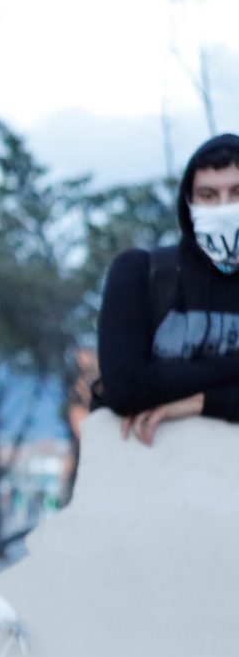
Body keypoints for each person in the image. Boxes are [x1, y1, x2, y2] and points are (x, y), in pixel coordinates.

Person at [93, 133, 239, 447]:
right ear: (189, 202)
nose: (225, 207)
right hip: (146, 479)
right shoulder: (140, 273)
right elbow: (125, 387)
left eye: (237, 193)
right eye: (209, 195)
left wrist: (201, 401)